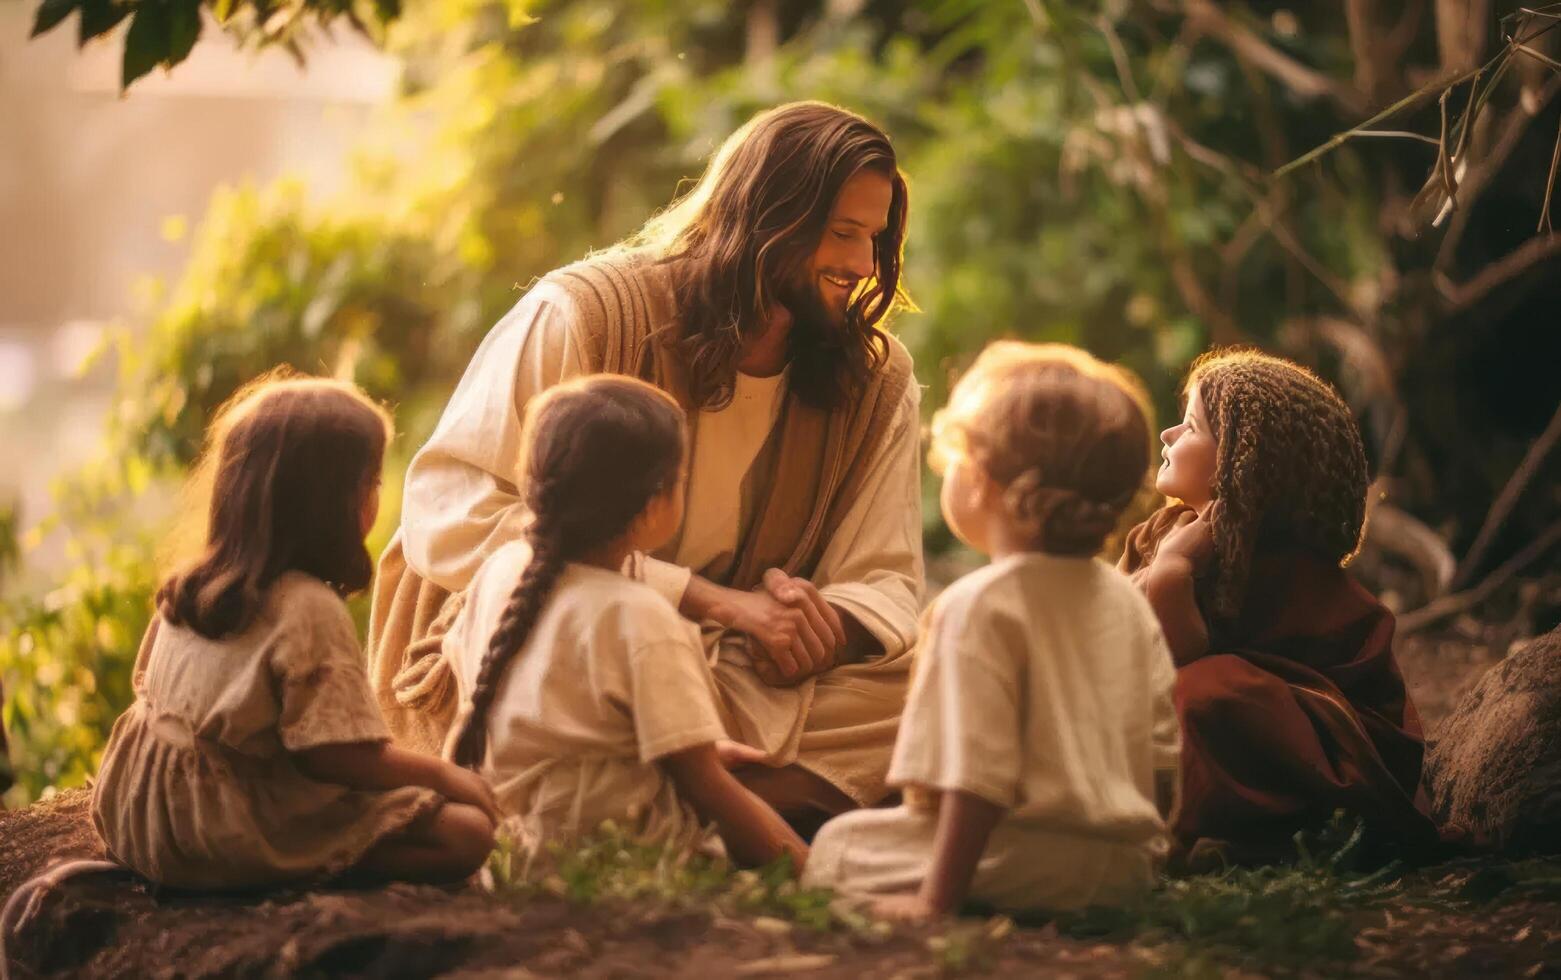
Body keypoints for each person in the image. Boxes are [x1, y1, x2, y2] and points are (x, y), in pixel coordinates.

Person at [373, 101, 923, 830]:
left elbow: (886, 575)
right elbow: (449, 514)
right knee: (575, 652)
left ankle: (657, 796)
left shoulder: (872, 379)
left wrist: (820, 627)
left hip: (736, 667)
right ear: (769, 220)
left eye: (873, 240)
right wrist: (693, 595)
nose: (861, 266)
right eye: (842, 234)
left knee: (933, 678)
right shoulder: (586, 313)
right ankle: (728, 799)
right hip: (572, 635)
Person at [803, 343, 1180, 918]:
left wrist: (936, 900)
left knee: (838, 847)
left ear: (980, 482)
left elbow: (976, 776)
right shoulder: (1129, 602)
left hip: (1022, 862)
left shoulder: (977, 605)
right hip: (1126, 869)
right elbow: (1163, 762)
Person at [91, 374, 500, 890]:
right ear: (331, 503)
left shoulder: (192, 583)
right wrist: (443, 774)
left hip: (140, 815)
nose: (375, 497)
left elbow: (145, 684)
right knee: (468, 832)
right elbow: (333, 754)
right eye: (371, 482)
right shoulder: (307, 606)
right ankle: (327, 863)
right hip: (219, 835)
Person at [438, 375, 807, 871]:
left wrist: (691, 744)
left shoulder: (500, 570)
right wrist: (813, 872)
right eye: (681, 479)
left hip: (509, 856)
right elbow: (710, 791)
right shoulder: (638, 614)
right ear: (654, 506)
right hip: (619, 867)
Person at [1121, 348, 1438, 863]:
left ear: (1247, 466)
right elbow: (1115, 636)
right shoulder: (1160, 534)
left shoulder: (1294, 576)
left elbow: (1176, 654)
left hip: (1301, 755)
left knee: (1207, 695)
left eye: (1192, 426)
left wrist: (1174, 573)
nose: (1168, 436)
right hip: (1173, 731)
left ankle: (1251, 832)